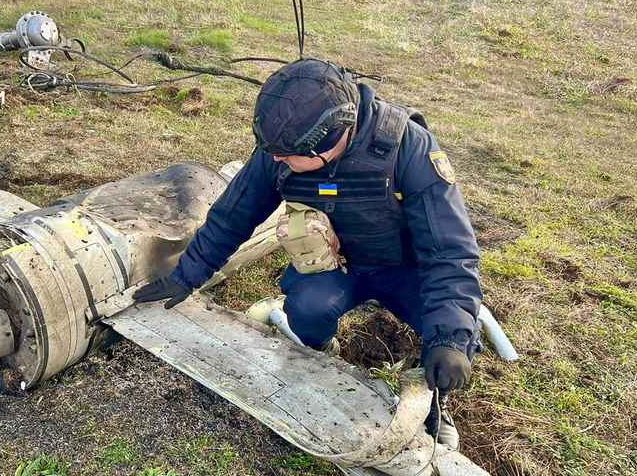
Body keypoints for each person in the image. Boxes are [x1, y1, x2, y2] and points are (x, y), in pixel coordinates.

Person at [133, 59, 482, 447]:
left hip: (406, 268)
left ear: (331, 140)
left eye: (288, 157)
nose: (276, 161)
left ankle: (433, 401)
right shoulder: (282, 145)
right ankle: (318, 355)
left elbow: (450, 252)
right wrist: (185, 275)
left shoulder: (408, 149)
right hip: (336, 265)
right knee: (309, 309)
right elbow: (234, 213)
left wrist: (449, 338)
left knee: (456, 339)